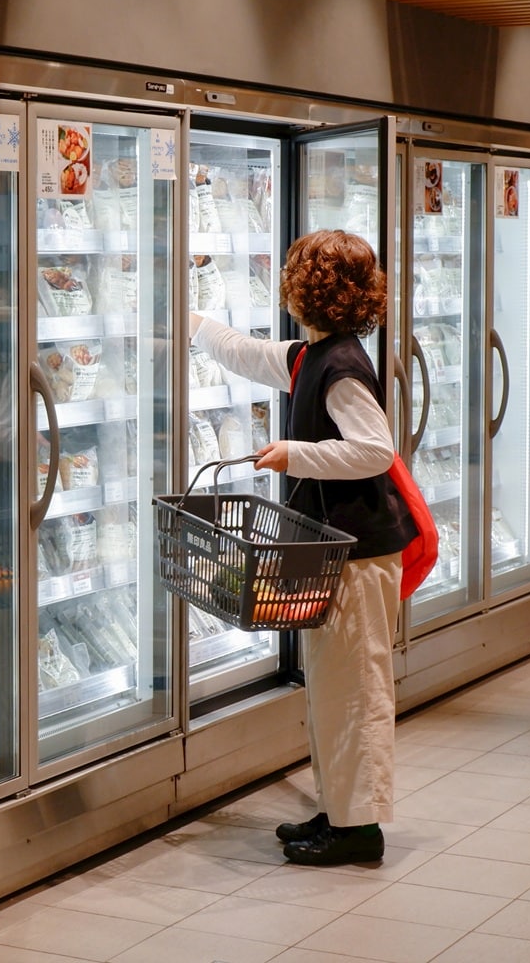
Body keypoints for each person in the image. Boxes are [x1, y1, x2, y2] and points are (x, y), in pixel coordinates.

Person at [189, 228, 417, 866]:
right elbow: (244, 353)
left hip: (362, 556)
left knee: (356, 689)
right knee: (332, 687)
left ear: (306, 290)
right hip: (336, 552)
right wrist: (186, 320)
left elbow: (375, 449)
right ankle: (341, 810)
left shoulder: (341, 366)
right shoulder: (312, 354)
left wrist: (296, 454)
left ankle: (359, 830)